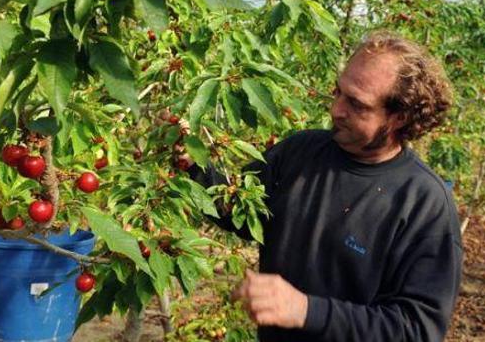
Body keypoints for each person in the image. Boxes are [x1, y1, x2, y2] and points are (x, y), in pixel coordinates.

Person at [190, 31, 461, 341]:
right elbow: (237, 210)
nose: (336, 110)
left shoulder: (424, 203)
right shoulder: (300, 152)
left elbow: (417, 330)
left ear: (398, 117)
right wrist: (191, 165)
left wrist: (305, 310)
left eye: (357, 105)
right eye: (338, 92)